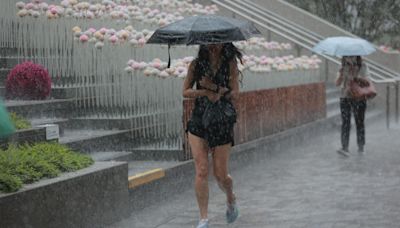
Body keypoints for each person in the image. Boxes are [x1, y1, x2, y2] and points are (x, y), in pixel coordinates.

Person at [182, 43, 241, 228]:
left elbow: (235, 93)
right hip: (199, 119)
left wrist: (216, 89)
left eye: (217, 42)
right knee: (201, 169)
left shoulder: (230, 64)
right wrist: (205, 92)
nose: (214, 46)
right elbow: (185, 91)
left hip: (221, 120)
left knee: (221, 175)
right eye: (210, 42)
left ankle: (230, 197)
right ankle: (203, 219)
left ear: (224, 43)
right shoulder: (196, 65)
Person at [335, 56, 370, 155]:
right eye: (346, 56)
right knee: (345, 122)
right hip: (345, 97)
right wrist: (341, 74)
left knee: (359, 122)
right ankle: (344, 147)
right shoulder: (342, 66)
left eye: (351, 56)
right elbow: (337, 83)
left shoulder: (362, 65)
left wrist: (357, 77)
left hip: (359, 98)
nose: (348, 58)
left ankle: (361, 147)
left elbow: (368, 82)